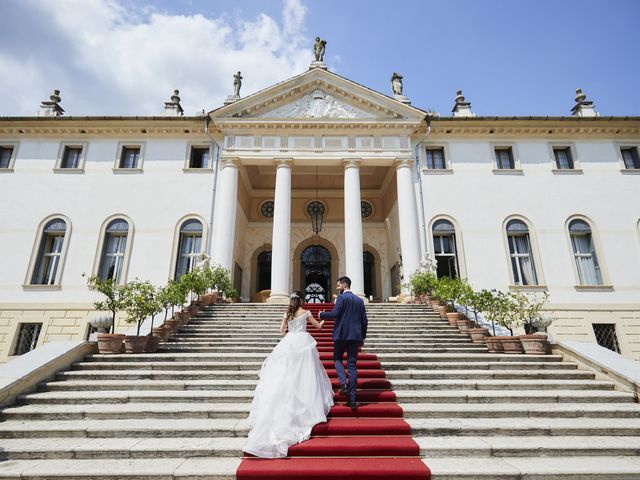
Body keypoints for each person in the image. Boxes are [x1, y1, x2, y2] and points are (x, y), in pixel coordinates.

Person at [243, 291, 334, 458]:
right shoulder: (306, 312)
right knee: (304, 375)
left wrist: (289, 331)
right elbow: (318, 327)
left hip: (289, 342)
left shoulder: (287, 313)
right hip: (303, 342)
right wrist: (323, 319)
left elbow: (281, 331)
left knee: (285, 374)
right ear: (301, 300)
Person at [320, 276, 368, 409]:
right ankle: (352, 400)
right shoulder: (359, 301)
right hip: (355, 336)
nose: (337, 288)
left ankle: (343, 384)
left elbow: (335, 314)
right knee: (352, 366)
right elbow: (364, 320)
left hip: (341, 335)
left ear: (345, 285)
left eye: (338, 285)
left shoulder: (341, 298)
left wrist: (321, 315)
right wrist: (362, 336)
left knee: (337, 358)